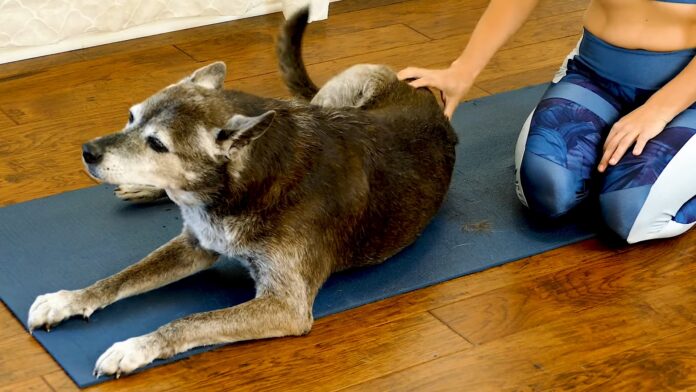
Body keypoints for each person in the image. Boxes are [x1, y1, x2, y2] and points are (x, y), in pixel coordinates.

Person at [399, 0, 696, 243]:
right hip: (596, 73)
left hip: (688, 92)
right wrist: (462, 70)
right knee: (546, 191)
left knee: (630, 216)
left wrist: (658, 109)